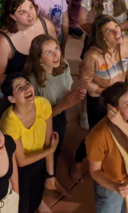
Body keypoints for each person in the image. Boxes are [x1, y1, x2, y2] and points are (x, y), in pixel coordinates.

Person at [71, 14, 128, 182]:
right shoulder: (93, 57)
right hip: (98, 101)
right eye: (109, 31)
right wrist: (104, 92)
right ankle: (78, 160)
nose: (116, 31)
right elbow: (85, 81)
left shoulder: (127, 42)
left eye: (116, 26)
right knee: (96, 136)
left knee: (118, 130)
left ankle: (110, 161)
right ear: (102, 37)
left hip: (119, 98)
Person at [23, 34, 86, 172]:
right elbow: (35, 118)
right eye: (48, 52)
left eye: (56, 48)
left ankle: (52, 174)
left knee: (56, 145)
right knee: (45, 150)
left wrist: (76, 95)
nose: (56, 54)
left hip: (59, 114)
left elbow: (66, 91)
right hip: (41, 123)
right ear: (39, 59)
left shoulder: (64, 66)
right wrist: (64, 105)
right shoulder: (32, 81)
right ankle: (48, 179)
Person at [86, 82, 128, 213]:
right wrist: (115, 186)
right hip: (110, 187)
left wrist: (121, 124)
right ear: (113, 109)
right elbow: (94, 171)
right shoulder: (99, 135)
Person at [0, 73, 59, 213]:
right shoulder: (9, 122)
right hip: (19, 170)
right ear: (11, 99)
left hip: (40, 160)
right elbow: (21, 161)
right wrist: (50, 151)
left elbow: (48, 141)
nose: (27, 89)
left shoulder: (43, 104)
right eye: (20, 88)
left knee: (35, 198)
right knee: (22, 206)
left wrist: (50, 175)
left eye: (27, 84)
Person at [0, 0, 57, 90]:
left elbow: (57, 51)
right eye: (22, 12)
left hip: (46, 84)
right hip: (19, 92)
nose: (30, 14)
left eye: (31, 7)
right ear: (12, 16)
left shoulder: (46, 25)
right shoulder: (3, 42)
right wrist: (28, 84)